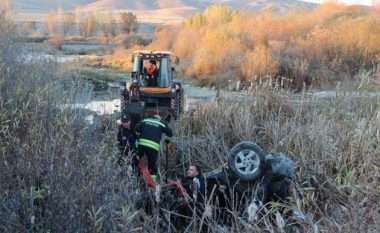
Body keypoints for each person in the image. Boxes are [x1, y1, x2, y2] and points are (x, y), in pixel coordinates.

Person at [134, 115, 173, 182]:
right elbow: (170, 133)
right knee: (152, 166)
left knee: (135, 160)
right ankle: (152, 183)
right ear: (159, 119)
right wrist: (167, 142)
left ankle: (134, 177)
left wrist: (138, 138)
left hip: (141, 145)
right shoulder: (161, 123)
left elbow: (136, 129)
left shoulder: (145, 120)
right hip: (153, 147)